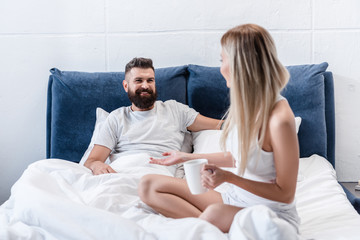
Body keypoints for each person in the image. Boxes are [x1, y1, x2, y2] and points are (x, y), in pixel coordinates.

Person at [138, 24, 300, 233]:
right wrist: (184, 157)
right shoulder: (248, 105)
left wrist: (229, 178)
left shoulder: (279, 119)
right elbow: (239, 157)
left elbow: (285, 193)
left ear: (240, 65)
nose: (221, 68)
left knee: (213, 215)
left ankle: (210, 225)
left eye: (223, 60)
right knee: (148, 185)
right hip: (235, 198)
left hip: (267, 211)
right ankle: (211, 226)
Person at [84, 57, 222, 175]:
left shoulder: (175, 110)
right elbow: (92, 160)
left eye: (150, 80)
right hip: (122, 173)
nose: (145, 86)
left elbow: (219, 125)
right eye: (138, 80)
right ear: (126, 86)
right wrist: (97, 166)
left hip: (158, 175)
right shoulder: (116, 117)